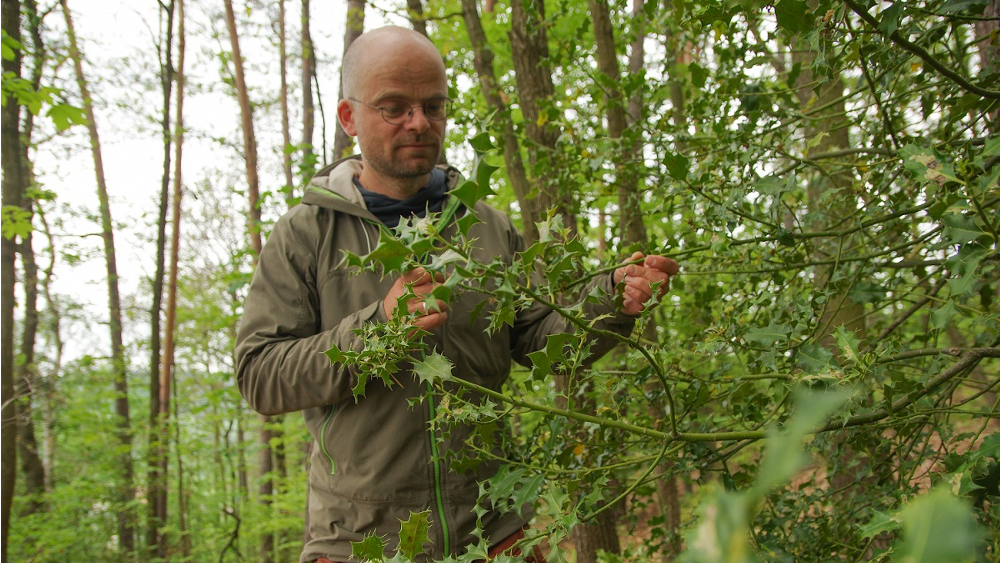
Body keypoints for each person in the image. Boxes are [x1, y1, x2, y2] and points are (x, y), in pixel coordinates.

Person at [234, 25, 679, 563]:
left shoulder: (488, 227)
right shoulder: (307, 234)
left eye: (432, 106)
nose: (418, 123)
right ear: (349, 118)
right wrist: (379, 328)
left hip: (492, 532)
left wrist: (611, 300)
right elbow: (259, 375)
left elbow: (538, 340)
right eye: (394, 107)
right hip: (362, 540)